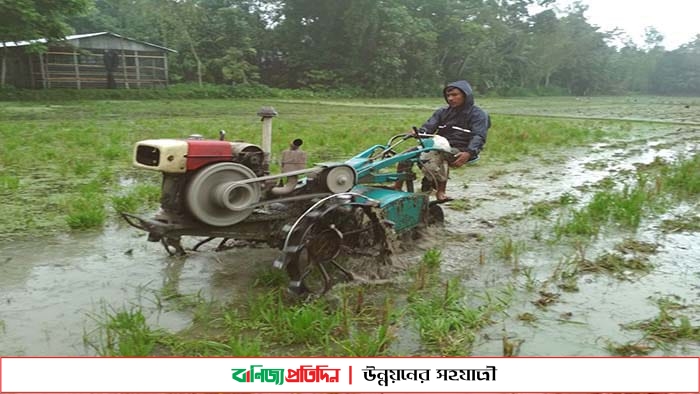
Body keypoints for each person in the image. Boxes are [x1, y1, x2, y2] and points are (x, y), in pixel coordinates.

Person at [395, 80, 490, 201]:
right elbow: (429, 127)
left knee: (436, 155)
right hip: (439, 143)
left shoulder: (478, 114)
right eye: (448, 96)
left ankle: (441, 192)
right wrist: (419, 132)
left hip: (461, 148)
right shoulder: (442, 112)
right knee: (405, 155)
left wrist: (469, 152)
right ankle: (397, 186)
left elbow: (479, 136)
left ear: (466, 95)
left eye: (455, 95)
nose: (450, 98)